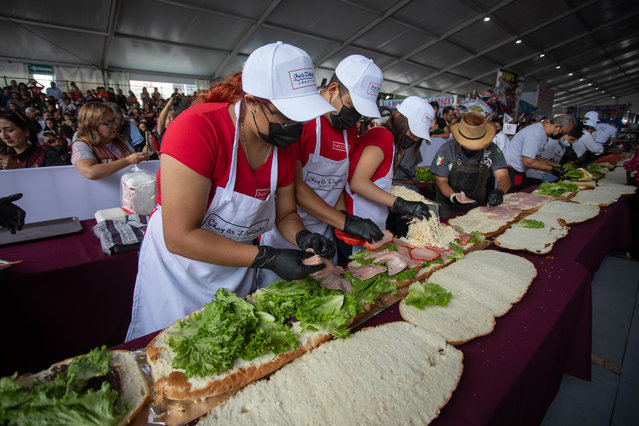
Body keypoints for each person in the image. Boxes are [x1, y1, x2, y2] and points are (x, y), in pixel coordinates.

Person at [125, 41, 337, 341]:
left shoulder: (282, 146)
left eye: (300, 118)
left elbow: (286, 212)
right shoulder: (197, 130)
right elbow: (180, 236)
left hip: (237, 266)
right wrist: (269, 257)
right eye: (285, 115)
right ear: (251, 102)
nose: (294, 127)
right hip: (181, 272)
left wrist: (302, 236)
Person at [258, 54, 385, 286]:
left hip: (324, 234)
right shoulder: (301, 120)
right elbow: (296, 186)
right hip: (287, 236)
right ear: (333, 89)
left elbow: (335, 181)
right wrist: (344, 222)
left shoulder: (349, 129)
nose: (354, 118)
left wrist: (345, 217)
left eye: (360, 113)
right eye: (352, 108)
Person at [342, 96, 435, 253]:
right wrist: (401, 204)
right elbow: (358, 183)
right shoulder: (382, 136)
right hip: (358, 222)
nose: (414, 137)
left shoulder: (391, 142)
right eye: (412, 130)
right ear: (397, 116)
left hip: (371, 222)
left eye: (418, 134)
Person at [430, 112, 510, 218]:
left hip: (477, 207)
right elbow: (441, 181)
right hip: (448, 207)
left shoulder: (492, 150)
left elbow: (503, 176)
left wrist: (499, 191)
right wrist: (454, 196)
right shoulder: (446, 150)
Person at [71, 102, 147, 179]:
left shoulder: (120, 139)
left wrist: (142, 155)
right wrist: (127, 161)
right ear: (92, 126)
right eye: (107, 123)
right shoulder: (82, 144)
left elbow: (133, 161)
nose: (113, 126)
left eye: (113, 121)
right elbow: (90, 172)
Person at [502, 114, 575, 191]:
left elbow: (538, 158)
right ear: (557, 127)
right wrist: (552, 169)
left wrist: (558, 167)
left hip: (519, 171)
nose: (562, 135)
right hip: (511, 171)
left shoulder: (543, 134)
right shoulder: (536, 133)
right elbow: (528, 162)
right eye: (563, 132)